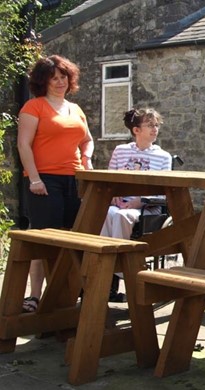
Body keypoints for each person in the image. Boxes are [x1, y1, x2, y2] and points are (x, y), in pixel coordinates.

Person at [17, 55, 94, 313]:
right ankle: (35, 295)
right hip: (44, 180)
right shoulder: (34, 107)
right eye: (53, 78)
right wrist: (35, 178)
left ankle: (66, 293)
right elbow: (23, 144)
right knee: (43, 239)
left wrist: (87, 158)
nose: (59, 82)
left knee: (72, 236)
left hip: (74, 179)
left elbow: (87, 140)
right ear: (43, 82)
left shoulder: (75, 109)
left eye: (63, 77)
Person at [100, 108, 172, 302]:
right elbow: (109, 180)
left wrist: (139, 201)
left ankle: (118, 268)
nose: (155, 129)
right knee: (107, 213)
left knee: (121, 216)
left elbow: (165, 193)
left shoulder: (163, 157)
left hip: (146, 208)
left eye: (156, 125)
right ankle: (106, 268)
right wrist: (114, 195)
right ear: (136, 130)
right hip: (120, 203)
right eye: (149, 125)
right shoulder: (121, 151)